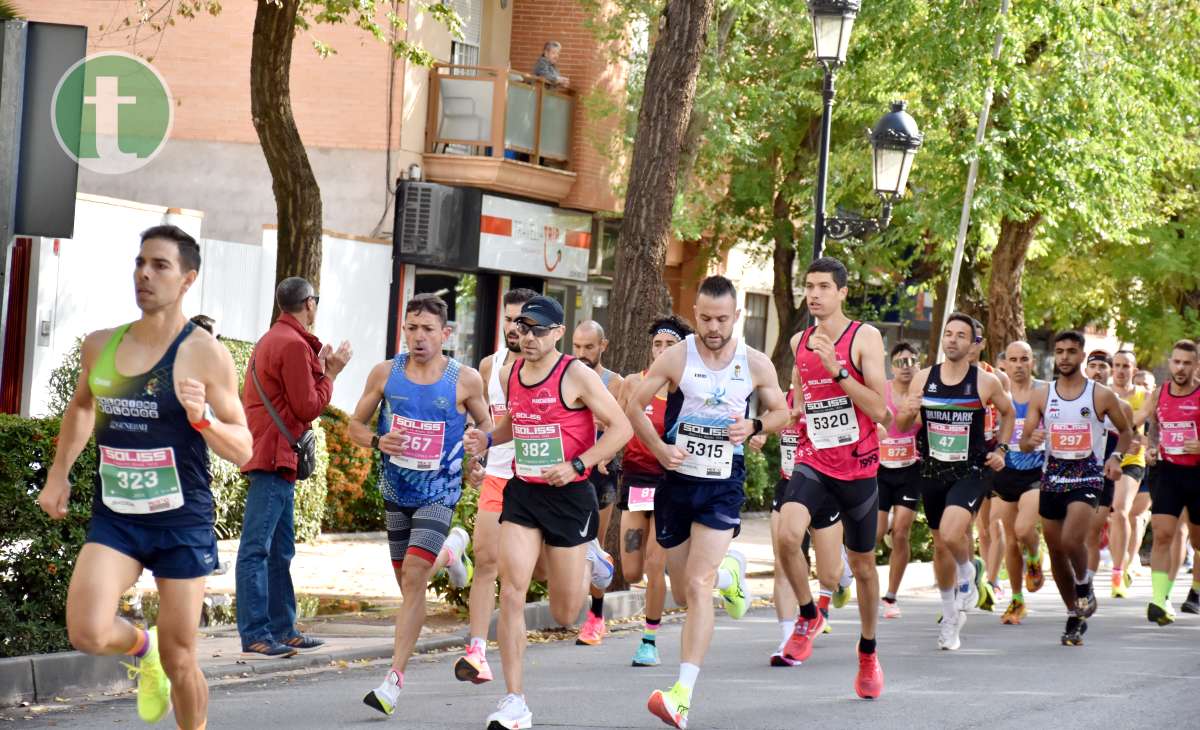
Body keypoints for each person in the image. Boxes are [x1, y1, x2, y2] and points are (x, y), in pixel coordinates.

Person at [37, 225, 253, 730]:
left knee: (183, 660)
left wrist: (203, 421)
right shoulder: (100, 346)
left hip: (181, 522)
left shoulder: (203, 353)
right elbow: (82, 409)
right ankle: (142, 646)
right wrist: (58, 473)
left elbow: (244, 447)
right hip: (117, 520)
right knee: (87, 632)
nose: (144, 274)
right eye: (140, 263)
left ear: (187, 280)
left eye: (160, 265)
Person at [627, 275, 789, 728]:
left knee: (697, 585)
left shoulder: (754, 363)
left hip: (723, 481)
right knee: (683, 590)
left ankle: (682, 693)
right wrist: (660, 449)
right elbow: (633, 404)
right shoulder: (678, 356)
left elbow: (781, 411)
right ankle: (731, 571)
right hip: (677, 481)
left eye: (721, 319)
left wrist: (754, 428)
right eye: (704, 318)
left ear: (736, 316)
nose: (713, 327)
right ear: (694, 314)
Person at [463, 295, 631, 730]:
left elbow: (621, 428)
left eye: (538, 329)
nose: (528, 336)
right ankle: (514, 700)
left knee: (563, 613)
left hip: (571, 497)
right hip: (525, 492)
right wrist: (486, 439)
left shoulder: (575, 374)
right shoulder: (510, 372)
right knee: (513, 589)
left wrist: (579, 464)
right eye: (522, 326)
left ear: (558, 332)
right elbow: (513, 424)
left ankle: (592, 559)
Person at [348, 294, 489, 715]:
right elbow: (355, 424)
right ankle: (453, 550)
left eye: (428, 329)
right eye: (412, 328)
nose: (418, 336)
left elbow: (484, 425)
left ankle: (393, 681)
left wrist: (476, 451)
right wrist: (377, 440)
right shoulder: (385, 374)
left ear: (445, 334)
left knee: (413, 576)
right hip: (396, 491)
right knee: (409, 585)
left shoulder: (463, 379)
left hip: (439, 492)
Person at [775, 257, 890, 698]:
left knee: (861, 567)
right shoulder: (797, 340)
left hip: (858, 465)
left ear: (842, 292)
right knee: (787, 533)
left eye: (824, 286)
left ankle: (867, 652)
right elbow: (799, 398)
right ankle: (808, 614)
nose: (815, 294)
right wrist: (782, 416)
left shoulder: (865, 337)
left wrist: (839, 369)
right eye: (809, 286)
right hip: (814, 460)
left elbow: (880, 410)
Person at [236, 277, 352, 658]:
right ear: (309, 304)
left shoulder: (274, 339)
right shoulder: (290, 344)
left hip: (275, 455)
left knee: (280, 551)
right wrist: (331, 374)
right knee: (257, 549)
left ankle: (283, 629)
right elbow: (307, 407)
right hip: (274, 457)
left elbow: (289, 397)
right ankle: (256, 633)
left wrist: (319, 368)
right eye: (315, 301)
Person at [896, 313, 1013, 651]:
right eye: (948, 334)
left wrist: (1002, 449)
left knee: (951, 533)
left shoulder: (985, 382)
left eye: (961, 335)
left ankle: (968, 572)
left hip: (971, 469)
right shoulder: (923, 378)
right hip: (932, 468)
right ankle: (950, 618)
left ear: (974, 344)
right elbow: (903, 425)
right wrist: (907, 408)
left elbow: (1008, 413)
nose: (952, 340)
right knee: (940, 544)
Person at [1020, 330, 1132, 645]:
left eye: (1071, 351)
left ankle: (1084, 584)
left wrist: (1116, 458)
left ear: (1082, 355)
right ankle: (1074, 614)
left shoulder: (1100, 395)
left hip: (1088, 475)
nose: (1065, 357)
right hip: (1052, 475)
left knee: (1072, 539)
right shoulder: (1043, 394)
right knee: (1055, 550)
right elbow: (1025, 442)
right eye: (1060, 351)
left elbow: (1126, 432)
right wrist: (1032, 440)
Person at [454, 287, 538, 685]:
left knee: (528, 574)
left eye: (521, 321)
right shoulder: (489, 366)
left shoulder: (550, 368)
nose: (512, 328)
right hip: (500, 476)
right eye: (507, 319)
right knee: (486, 561)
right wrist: (477, 458)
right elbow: (484, 423)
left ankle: (591, 556)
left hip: (539, 481)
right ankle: (477, 651)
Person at [618, 315, 692, 667]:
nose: (661, 350)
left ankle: (648, 640)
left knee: (652, 563)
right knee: (631, 570)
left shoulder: (686, 390)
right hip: (634, 480)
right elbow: (617, 423)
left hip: (668, 484)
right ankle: (596, 560)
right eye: (657, 344)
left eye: (669, 345)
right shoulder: (634, 383)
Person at [754, 387, 846, 667]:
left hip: (827, 488)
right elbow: (767, 421)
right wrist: (759, 433)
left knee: (829, 574)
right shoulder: (782, 398)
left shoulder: (836, 394)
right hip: (790, 487)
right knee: (783, 560)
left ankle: (835, 584)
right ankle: (787, 638)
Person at [571, 320, 623, 646]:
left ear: (602, 346)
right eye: (577, 347)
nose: (582, 353)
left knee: (596, 547)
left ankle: (596, 616)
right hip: (572, 466)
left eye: (589, 347)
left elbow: (614, 423)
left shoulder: (614, 382)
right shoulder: (566, 376)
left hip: (602, 469)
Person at [1144, 339, 1200, 624]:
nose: (1180, 368)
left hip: (1198, 474)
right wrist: (1151, 446)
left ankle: (1197, 589)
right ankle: (1159, 600)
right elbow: (1153, 425)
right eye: (1176, 361)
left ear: (1196, 365)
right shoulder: (1159, 393)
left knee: (1198, 539)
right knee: (1163, 532)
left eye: (1186, 363)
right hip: (1168, 471)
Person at [993, 341, 1048, 625]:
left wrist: (1045, 437)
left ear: (1032, 362)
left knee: (1023, 528)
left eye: (1023, 359)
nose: (1018, 365)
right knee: (1011, 539)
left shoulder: (1045, 392)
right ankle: (1017, 600)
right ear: (1004, 363)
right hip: (1006, 471)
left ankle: (1036, 555)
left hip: (1037, 471)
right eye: (1012, 359)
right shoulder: (998, 393)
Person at [876, 341, 923, 619]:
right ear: (892, 367)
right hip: (881, 468)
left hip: (910, 469)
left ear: (918, 364)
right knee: (876, 534)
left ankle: (891, 596)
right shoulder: (881, 390)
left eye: (911, 361)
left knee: (902, 532)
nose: (906, 367)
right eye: (900, 362)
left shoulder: (924, 393)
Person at [970, 320, 1010, 611]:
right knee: (981, 528)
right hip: (969, 458)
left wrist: (1003, 447)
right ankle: (982, 579)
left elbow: (1009, 414)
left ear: (981, 344)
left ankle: (994, 579)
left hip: (993, 456)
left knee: (995, 523)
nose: (967, 345)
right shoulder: (946, 376)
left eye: (973, 339)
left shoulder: (995, 377)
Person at [1106, 350, 1149, 598]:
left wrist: (1144, 441)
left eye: (1126, 366)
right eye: (1117, 365)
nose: (1121, 370)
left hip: (1132, 461)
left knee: (1121, 510)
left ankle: (1119, 572)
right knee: (1105, 519)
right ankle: (1121, 563)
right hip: (1104, 460)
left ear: (1134, 369)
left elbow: (1149, 427)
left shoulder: (1145, 396)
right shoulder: (1102, 394)